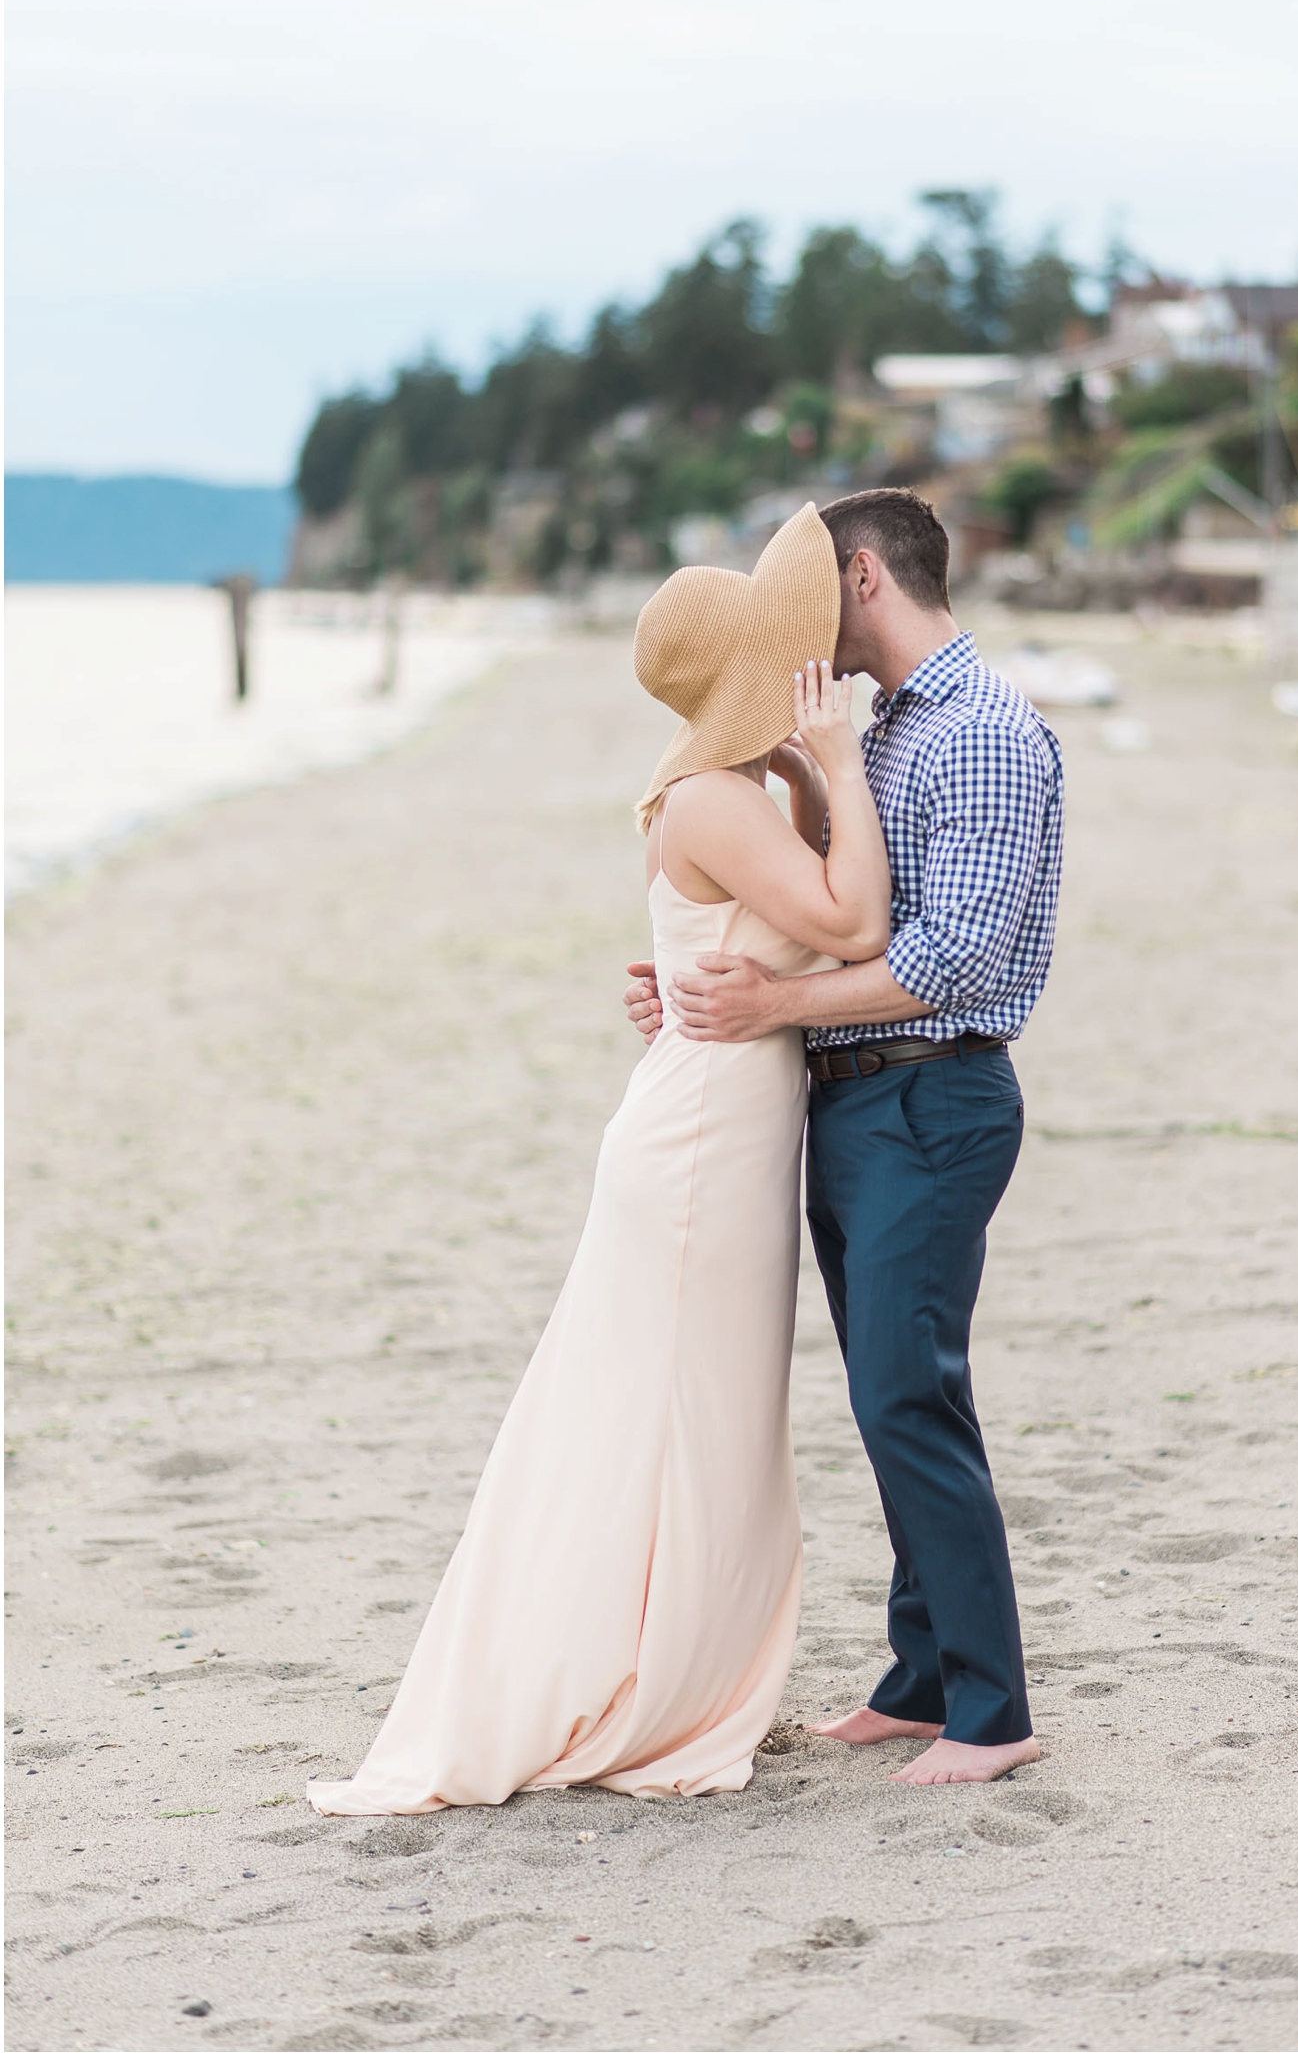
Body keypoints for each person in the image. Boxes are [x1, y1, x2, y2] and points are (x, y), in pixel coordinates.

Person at [309, 503, 890, 1815]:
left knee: (707, 1418)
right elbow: (852, 919)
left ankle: (669, 1662)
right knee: (670, 1417)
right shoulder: (710, 800)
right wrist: (841, 765)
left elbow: (765, 932)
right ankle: (642, 1680)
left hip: (724, 1122)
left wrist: (801, 773)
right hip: (700, 1146)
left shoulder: (738, 792)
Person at [625, 487, 1064, 1786]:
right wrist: (707, 973)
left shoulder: (980, 733)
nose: (799, 625)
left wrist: (776, 1001)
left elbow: (954, 959)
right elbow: (814, 911)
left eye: (814, 592)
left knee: (905, 1391)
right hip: (853, 1097)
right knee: (891, 1399)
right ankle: (921, 1675)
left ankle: (992, 1711)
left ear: (863, 581)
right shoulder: (882, 730)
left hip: (932, 1097)